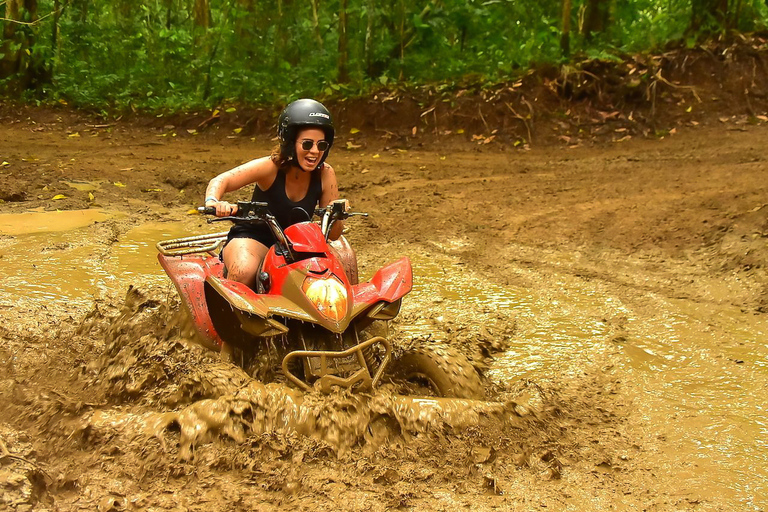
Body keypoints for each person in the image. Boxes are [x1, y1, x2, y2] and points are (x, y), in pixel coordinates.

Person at [203, 99, 346, 290]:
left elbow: (334, 235)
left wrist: (339, 214)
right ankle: (232, 314)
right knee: (244, 271)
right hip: (255, 239)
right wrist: (214, 201)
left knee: (344, 264)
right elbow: (223, 180)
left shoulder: (325, 173)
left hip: (298, 245)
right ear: (289, 141)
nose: (314, 152)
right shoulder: (270, 167)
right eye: (307, 144)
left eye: (321, 145)